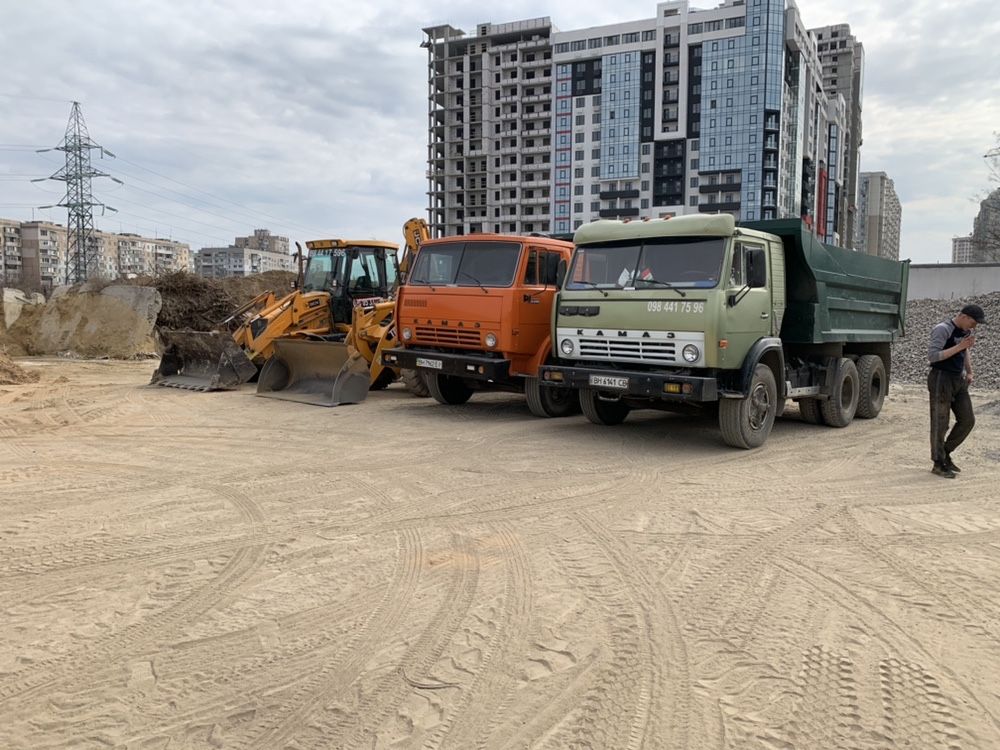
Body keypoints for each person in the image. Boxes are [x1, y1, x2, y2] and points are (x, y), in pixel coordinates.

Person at [927, 303, 986, 478]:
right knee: (940, 423)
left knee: (967, 420)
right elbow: (933, 356)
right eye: (974, 323)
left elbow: (965, 350)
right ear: (964, 317)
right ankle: (938, 463)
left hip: (958, 380)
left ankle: (945, 453)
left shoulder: (965, 331)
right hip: (941, 378)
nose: (974, 327)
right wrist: (959, 347)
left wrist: (969, 371)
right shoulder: (942, 329)